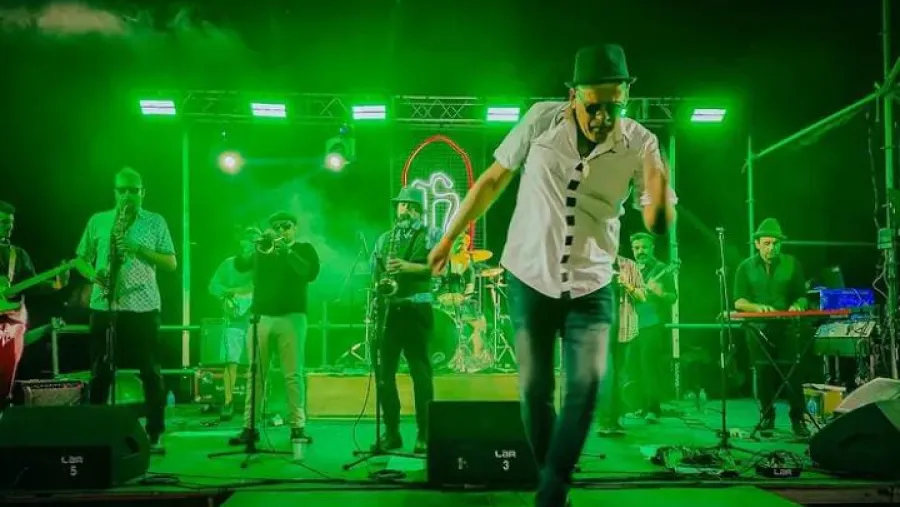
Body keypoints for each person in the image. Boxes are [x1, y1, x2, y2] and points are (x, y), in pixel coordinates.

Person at [428, 44, 676, 507]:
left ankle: (552, 491)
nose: (603, 118)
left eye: (614, 106)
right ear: (573, 95)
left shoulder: (641, 143)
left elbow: (656, 221)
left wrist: (659, 197)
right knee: (535, 389)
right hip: (529, 277)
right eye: (594, 106)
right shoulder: (541, 120)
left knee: (587, 385)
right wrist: (449, 238)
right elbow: (492, 180)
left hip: (592, 283)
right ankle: (552, 481)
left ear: (625, 96)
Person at [76, 168, 177, 454]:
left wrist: (138, 248)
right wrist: (94, 274)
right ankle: (95, 433)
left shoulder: (155, 221)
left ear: (143, 192)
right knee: (100, 371)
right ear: (115, 193)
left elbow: (171, 264)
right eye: (123, 190)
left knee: (150, 371)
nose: (128, 195)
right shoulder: (99, 220)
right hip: (104, 305)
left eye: (134, 190)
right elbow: (80, 259)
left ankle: (155, 433)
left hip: (143, 306)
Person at [228, 211, 319, 446]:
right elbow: (240, 265)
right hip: (261, 317)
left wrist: (286, 251)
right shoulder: (263, 250)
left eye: (285, 226)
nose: (280, 231)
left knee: (292, 374)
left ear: (295, 228)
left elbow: (308, 273)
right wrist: (247, 245)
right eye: (276, 227)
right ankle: (249, 427)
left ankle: (297, 427)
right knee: (255, 375)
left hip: (292, 317)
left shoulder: (304, 249)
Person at [371, 187, 441, 454]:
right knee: (384, 375)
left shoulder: (431, 233)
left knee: (420, 374)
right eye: (401, 205)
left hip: (417, 309)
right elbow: (374, 271)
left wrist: (407, 266)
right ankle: (392, 433)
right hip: (390, 312)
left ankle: (425, 434)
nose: (404, 210)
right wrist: (381, 280)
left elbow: (439, 267)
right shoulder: (384, 239)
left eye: (410, 206)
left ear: (418, 210)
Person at [733, 218, 810, 439]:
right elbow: (739, 301)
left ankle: (798, 419)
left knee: (793, 373)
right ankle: (767, 416)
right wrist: (756, 307)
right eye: (767, 243)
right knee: (763, 373)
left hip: (785, 327)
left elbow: (802, 296)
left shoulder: (792, 264)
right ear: (757, 243)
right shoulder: (745, 267)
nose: (772, 248)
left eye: (776, 243)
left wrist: (798, 305)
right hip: (757, 328)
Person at [0, 201, 68, 408]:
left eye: (11, 223)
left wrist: (56, 284)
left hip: (12, 321)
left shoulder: (18, 255)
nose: (9, 227)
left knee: (6, 377)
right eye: (3, 222)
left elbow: (34, 284)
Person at [207, 228, 255, 421]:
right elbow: (213, 286)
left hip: (256, 318)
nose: (251, 243)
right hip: (234, 319)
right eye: (248, 239)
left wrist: (239, 291)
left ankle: (255, 402)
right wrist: (228, 294)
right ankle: (228, 402)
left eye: (255, 240)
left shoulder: (263, 264)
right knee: (231, 361)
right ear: (242, 242)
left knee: (256, 362)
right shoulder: (228, 264)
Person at [629, 232, 677, 423]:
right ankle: (640, 407)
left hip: (652, 324)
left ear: (652, 248)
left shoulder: (661, 269)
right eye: (637, 248)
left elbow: (673, 297)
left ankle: (653, 410)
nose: (640, 251)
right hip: (631, 325)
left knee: (649, 367)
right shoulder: (629, 269)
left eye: (644, 247)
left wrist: (660, 293)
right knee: (633, 366)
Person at [596, 255, 644, 436]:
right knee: (606, 375)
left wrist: (627, 285)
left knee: (618, 376)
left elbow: (643, 297)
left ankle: (614, 421)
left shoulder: (630, 266)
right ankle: (604, 420)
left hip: (624, 330)